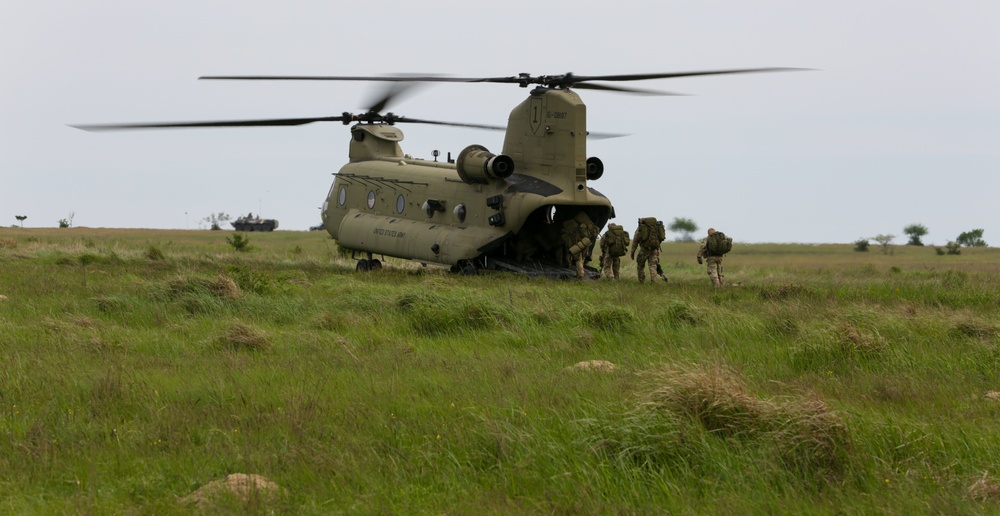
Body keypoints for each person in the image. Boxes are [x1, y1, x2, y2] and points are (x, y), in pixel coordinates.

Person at [562, 212, 599, 279]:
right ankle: (580, 272)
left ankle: (580, 275)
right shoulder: (586, 228)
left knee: (578, 260)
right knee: (581, 259)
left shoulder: (577, 228)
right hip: (585, 244)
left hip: (579, 244)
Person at [630, 217, 664, 283]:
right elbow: (661, 238)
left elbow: (635, 241)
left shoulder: (641, 229)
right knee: (653, 265)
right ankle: (654, 281)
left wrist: (633, 251)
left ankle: (641, 281)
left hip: (644, 249)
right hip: (654, 249)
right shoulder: (656, 228)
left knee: (640, 265)